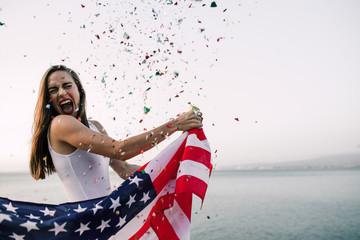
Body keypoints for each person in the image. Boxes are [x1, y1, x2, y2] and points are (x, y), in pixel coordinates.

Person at [30, 65, 203, 202]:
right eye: (53, 90)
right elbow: (119, 150)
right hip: (86, 224)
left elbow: (124, 169)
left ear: (79, 90)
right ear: (48, 99)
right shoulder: (60, 124)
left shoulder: (94, 125)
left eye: (67, 85)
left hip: (107, 220)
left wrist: (172, 172)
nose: (61, 92)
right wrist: (175, 125)